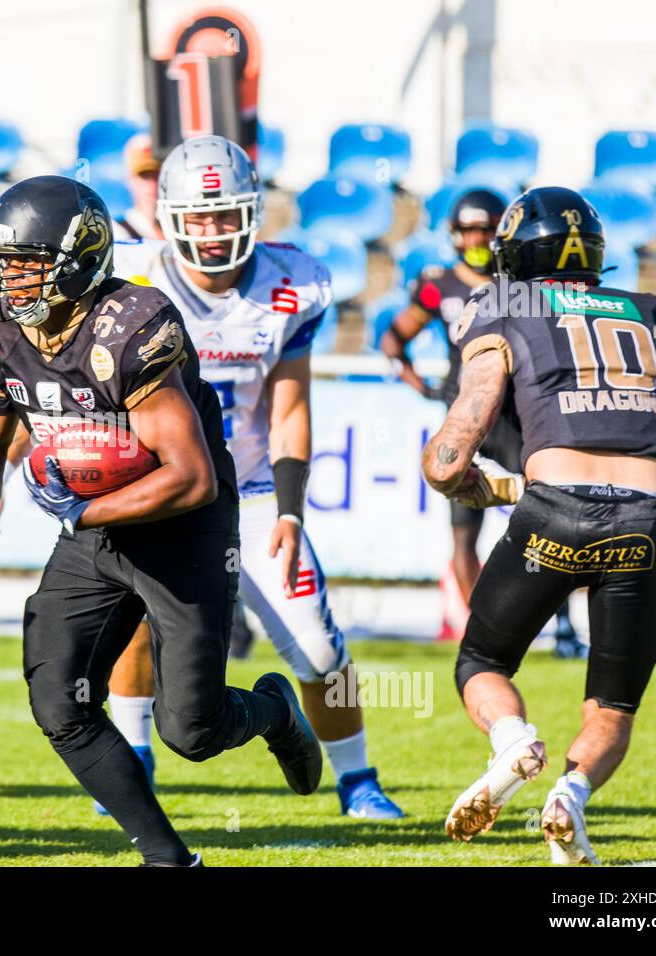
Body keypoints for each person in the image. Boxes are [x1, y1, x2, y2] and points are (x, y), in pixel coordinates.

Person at [0, 175, 323, 866]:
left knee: (193, 730)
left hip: (183, 526)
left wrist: (83, 509)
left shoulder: (132, 325)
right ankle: (166, 857)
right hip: (93, 526)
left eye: (26, 262)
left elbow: (191, 475)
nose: (7, 279)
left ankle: (274, 710)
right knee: (59, 700)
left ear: (81, 258)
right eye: (1, 262)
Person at [108, 135, 404, 819]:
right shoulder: (134, 276)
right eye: (200, 216)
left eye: (226, 214)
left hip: (251, 491)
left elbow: (291, 408)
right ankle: (134, 759)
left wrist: (293, 512)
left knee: (320, 646)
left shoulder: (289, 284)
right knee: (135, 622)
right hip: (158, 489)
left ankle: (358, 781)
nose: (212, 232)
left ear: (253, 212)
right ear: (170, 216)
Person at [423, 186, 656, 864]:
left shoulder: (503, 303)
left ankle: (513, 741)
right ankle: (570, 793)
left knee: (481, 661)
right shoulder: (652, 313)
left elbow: (453, 452)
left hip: (555, 512)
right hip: (645, 521)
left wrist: (473, 481)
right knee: (613, 707)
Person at [382, 189, 585, 656]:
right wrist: (420, 384)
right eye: (468, 229)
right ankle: (481, 634)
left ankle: (564, 627)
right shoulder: (438, 285)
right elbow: (394, 339)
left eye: (483, 229)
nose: (475, 238)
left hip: (518, 416)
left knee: (549, 521)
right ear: (454, 234)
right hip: (465, 420)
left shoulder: (522, 285)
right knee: (462, 530)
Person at [112, 133, 163, 241]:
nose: (152, 184)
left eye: (158, 174)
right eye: (144, 176)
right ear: (129, 179)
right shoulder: (116, 232)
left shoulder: (176, 228)